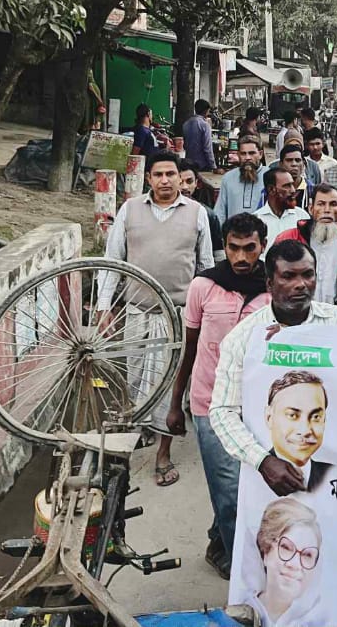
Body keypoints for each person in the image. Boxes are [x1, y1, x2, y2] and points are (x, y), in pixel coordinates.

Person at [166, 211, 269, 578]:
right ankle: (245, 571)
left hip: (258, 407)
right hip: (209, 403)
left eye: (249, 248)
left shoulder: (274, 290)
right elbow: (189, 348)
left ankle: (218, 542)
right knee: (227, 489)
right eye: (234, 248)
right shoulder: (203, 286)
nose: (241, 257)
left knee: (252, 487)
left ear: (263, 247)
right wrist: (175, 405)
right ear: (224, 246)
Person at [210, 240, 337, 496]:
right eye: (288, 276)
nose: (301, 284)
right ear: (269, 284)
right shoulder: (244, 338)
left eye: (308, 274)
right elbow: (223, 411)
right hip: (266, 482)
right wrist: (262, 461)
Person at [106, 150, 213, 487]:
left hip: (177, 314)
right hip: (136, 312)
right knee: (136, 379)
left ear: (181, 178)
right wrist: (104, 308)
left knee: (171, 384)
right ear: (148, 178)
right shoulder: (130, 209)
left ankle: (163, 453)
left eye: (171, 174)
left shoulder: (196, 213)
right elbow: (113, 260)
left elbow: (205, 267)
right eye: (158, 175)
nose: (165, 180)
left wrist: (206, 314)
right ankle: (142, 430)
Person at [276, 185, 337, 305]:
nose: (327, 210)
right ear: (311, 208)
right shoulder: (288, 239)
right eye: (321, 204)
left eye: (333, 204)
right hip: (296, 308)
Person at [251, 497, 323, 627]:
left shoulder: (319, 621)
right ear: (266, 551)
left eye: (307, 555)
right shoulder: (240, 610)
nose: (295, 564)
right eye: (286, 548)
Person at [180, 159, 224, 262]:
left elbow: (218, 253)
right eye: (180, 182)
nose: (184, 187)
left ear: (196, 183)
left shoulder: (208, 214)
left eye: (189, 181)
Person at [214, 135, 266, 221]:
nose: (247, 158)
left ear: (260, 154)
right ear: (238, 155)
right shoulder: (228, 178)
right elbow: (220, 212)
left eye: (252, 153)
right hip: (233, 229)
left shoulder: (270, 176)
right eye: (243, 154)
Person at [257, 169, 311, 244]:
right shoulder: (257, 219)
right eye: (287, 186)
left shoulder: (302, 216)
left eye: (292, 185)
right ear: (271, 189)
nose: (293, 190)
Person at [183, 98, 216, 171]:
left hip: (189, 163)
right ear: (206, 111)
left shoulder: (186, 123)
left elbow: (185, 145)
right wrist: (213, 166)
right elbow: (207, 148)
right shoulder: (205, 125)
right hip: (202, 165)